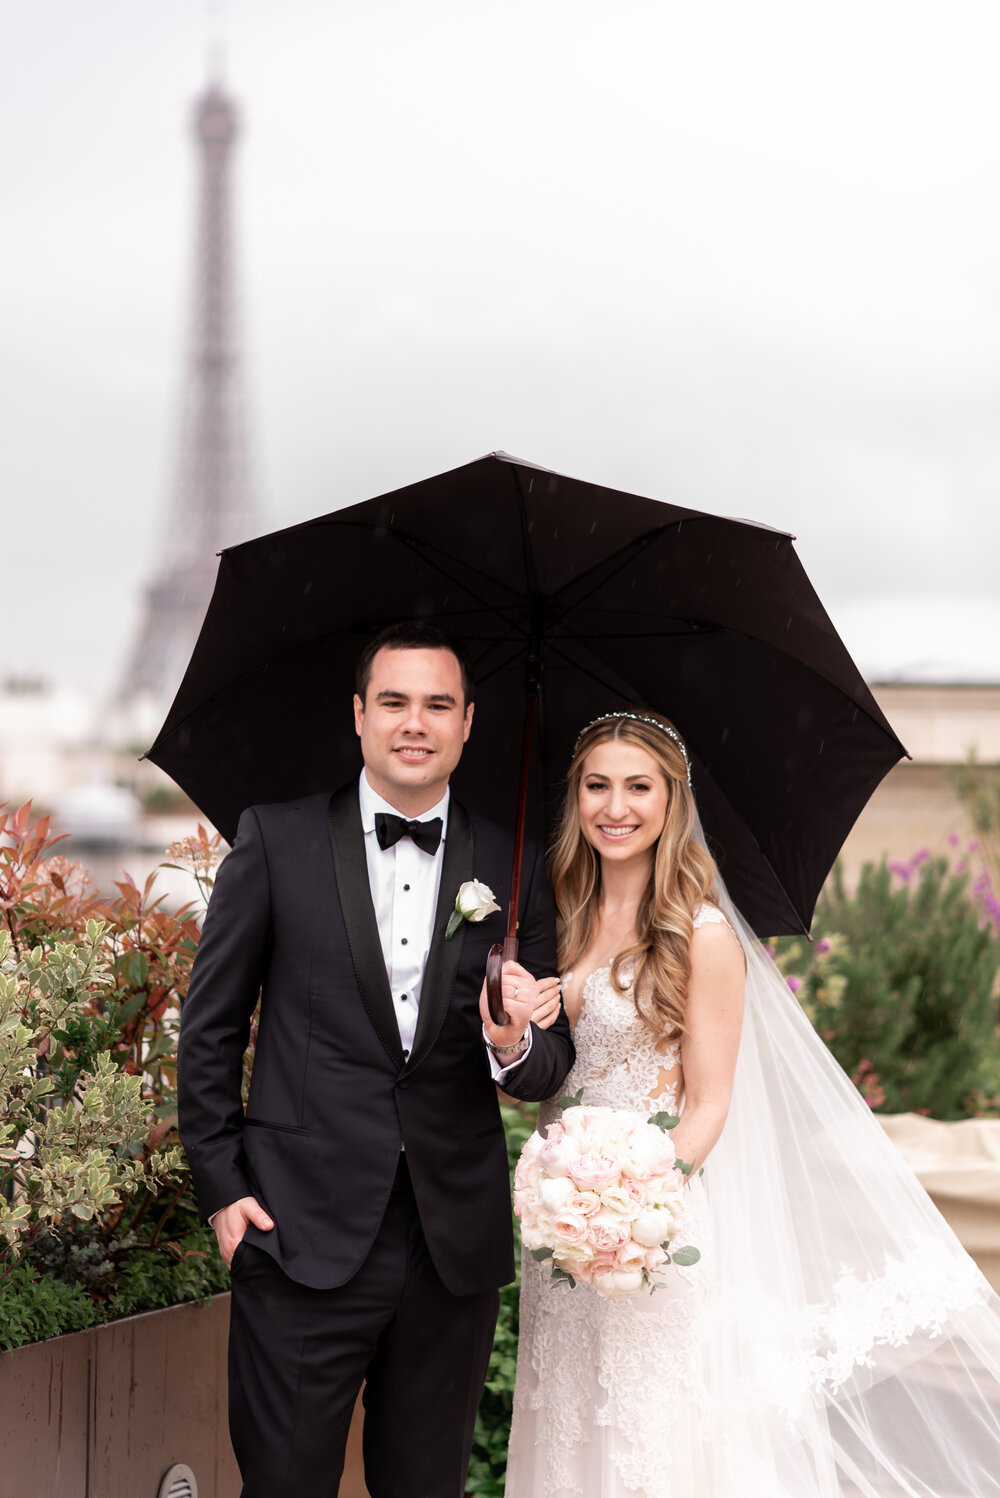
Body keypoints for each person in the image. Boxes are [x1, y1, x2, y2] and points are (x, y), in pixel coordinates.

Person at [506, 709, 1000, 1498]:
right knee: (569, 1424)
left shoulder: (700, 935)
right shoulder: (555, 924)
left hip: (650, 1236)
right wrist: (516, 1031)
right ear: (576, 798)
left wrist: (631, 1212)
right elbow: (550, 1077)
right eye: (597, 786)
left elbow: (709, 1106)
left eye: (639, 787)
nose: (615, 806)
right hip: (561, 1236)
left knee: (656, 1440)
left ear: (673, 801)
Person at [177, 621, 574, 1498]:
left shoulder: (520, 866)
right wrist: (223, 1190)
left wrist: (512, 1040)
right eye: (394, 701)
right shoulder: (274, 841)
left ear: (468, 723)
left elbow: (553, 1067)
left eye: (438, 704)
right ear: (358, 716)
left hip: (450, 1249)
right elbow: (209, 1028)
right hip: (294, 1234)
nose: (414, 723)